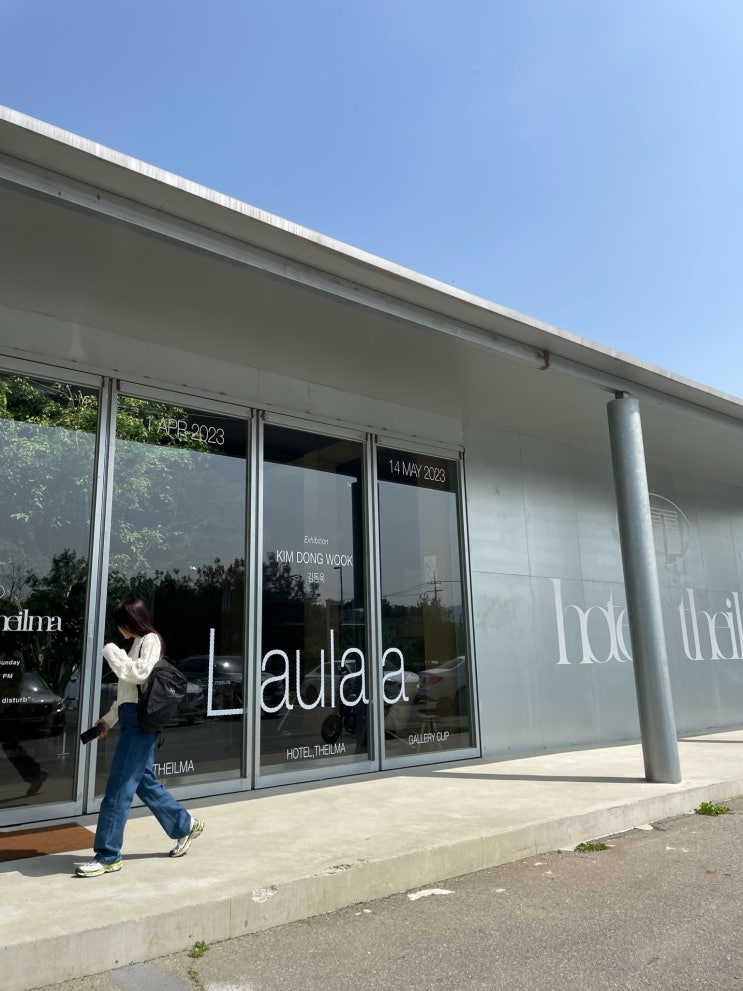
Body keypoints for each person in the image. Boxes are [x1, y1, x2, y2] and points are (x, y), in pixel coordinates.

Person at [75, 597, 204, 878]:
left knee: (118, 789)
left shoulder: (150, 640)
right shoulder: (135, 644)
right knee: (144, 783)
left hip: (139, 724)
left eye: (120, 623)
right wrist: (108, 719)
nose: (118, 629)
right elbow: (128, 693)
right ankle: (185, 825)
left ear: (131, 621)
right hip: (131, 719)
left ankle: (108, 855)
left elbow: (140, 673)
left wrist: (112, 651)